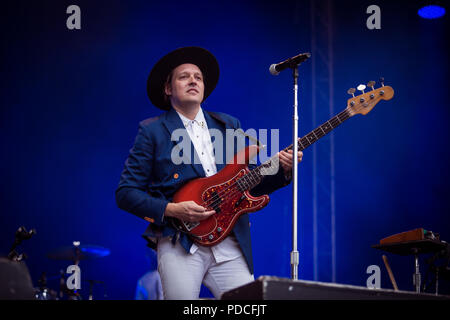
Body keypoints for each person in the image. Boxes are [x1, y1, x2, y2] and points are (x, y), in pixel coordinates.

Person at [116, 46, 302, 299]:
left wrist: (281, 170)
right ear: (168, 89)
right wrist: (171, 209)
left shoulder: (228, 125)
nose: (193, 80)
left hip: (228, 242)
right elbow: (126, 193)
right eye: (184, 76)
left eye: (198, 77)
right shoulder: (152, 131)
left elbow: (246, 186)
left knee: (249, 305)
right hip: (179, 242)